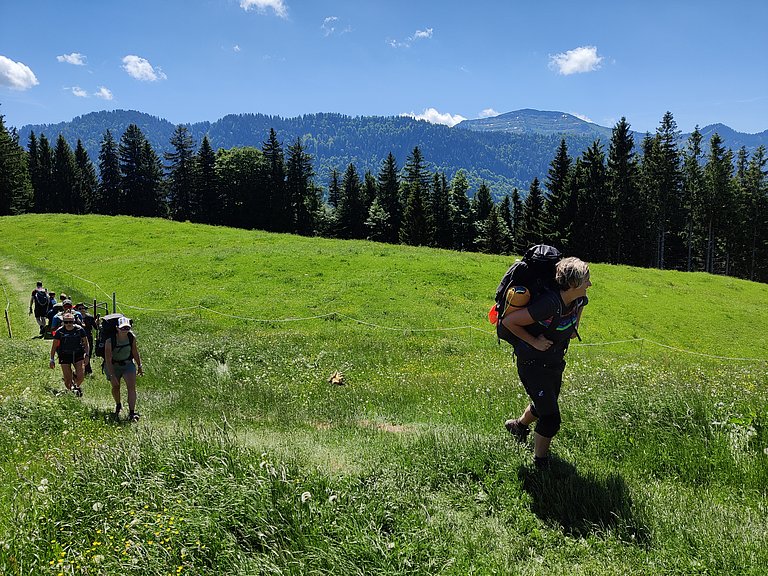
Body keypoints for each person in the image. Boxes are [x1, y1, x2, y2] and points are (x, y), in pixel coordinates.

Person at [502, 257, 591, 469]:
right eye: (586, 280)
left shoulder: (578, 300)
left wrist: (577, 314)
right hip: (533, 364)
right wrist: (534, 341)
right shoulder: (548, 304)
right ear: (572, 284)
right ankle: (540, 462)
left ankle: (517, 426)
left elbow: (571, 332)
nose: (590, 284)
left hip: (554, 363)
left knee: (544, 404)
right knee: (551, 418)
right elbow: (509, 321)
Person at [105, 316, 143, 422]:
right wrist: (112, 375)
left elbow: (135, 352)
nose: (125, 330)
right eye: (123, 328)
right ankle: (118, 404)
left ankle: (132, 412)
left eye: (127, 328)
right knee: (116, 387)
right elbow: (108, 359)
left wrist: (139, 366)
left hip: (127, 364)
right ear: (117, 328)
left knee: (131, 387)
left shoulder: (131, 337)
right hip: (113, 365)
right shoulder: (109, 341)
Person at [49, 312, 89, 396]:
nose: (68, 324)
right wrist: (52, 359)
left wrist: (87, 354)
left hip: (78, 354)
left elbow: (86, 343)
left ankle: (76, 386)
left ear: (73, 321)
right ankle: (72, 391)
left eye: (70, 322)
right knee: (67, 381)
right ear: (63, 322)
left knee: (81, 376)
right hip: (64, 355)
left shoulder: (79, 330)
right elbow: (54, 346)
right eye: (66, 322)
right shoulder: (59, 331)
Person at [75, 303, 96, 374]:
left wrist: (97, 323)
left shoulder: (90, 317)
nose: (82, 310)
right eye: (80, 309)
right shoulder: (75, 318)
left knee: (88, 353)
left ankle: (86, 368)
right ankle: (85, 369)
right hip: (78, 338)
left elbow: (95, 327)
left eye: (83, 308)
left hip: (88, 337)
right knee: (81, 353)